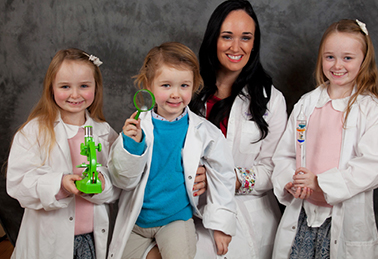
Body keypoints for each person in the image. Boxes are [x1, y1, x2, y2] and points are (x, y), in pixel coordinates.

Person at [271, 19, 378, 259]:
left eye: (348, 58)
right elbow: (285, 154)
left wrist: (319, 182)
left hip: (342, 220)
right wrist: (288, 181)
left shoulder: (372, 110)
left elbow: (371, 167)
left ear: (363, 60)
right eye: (330, 57)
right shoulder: (306, 104)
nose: (338, 65)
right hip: (303, 216)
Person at [107, 42, 236, 259]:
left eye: (184, 86)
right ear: (148, 85)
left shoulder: (204, 131)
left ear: (194, 85)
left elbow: (223, 175)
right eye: (166, 85)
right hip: (137, 221)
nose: (175, 94)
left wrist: (221, 225)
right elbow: (123, 180)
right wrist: (132, 146)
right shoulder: (137, 126)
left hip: (175, 219)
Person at [189, 0, 287, 258]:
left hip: (249, 221)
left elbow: (274, 170)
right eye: (227, 37)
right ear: (213, 39)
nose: (236, 47)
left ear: (254, 43)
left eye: (246, 37)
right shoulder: (188, 92)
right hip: (190, 215)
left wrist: (222, 179)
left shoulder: (270, 100)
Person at [6, 48, 120, 259]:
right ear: (51, 88)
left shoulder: (105, 134)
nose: (75, 95)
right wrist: (60, 184)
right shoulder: (34, 132)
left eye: (84, 86)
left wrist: (102, 185)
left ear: (96, 87)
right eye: (65, 86)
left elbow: (120, 183)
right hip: (49, 241)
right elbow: (18, 183)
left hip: (91, 240)